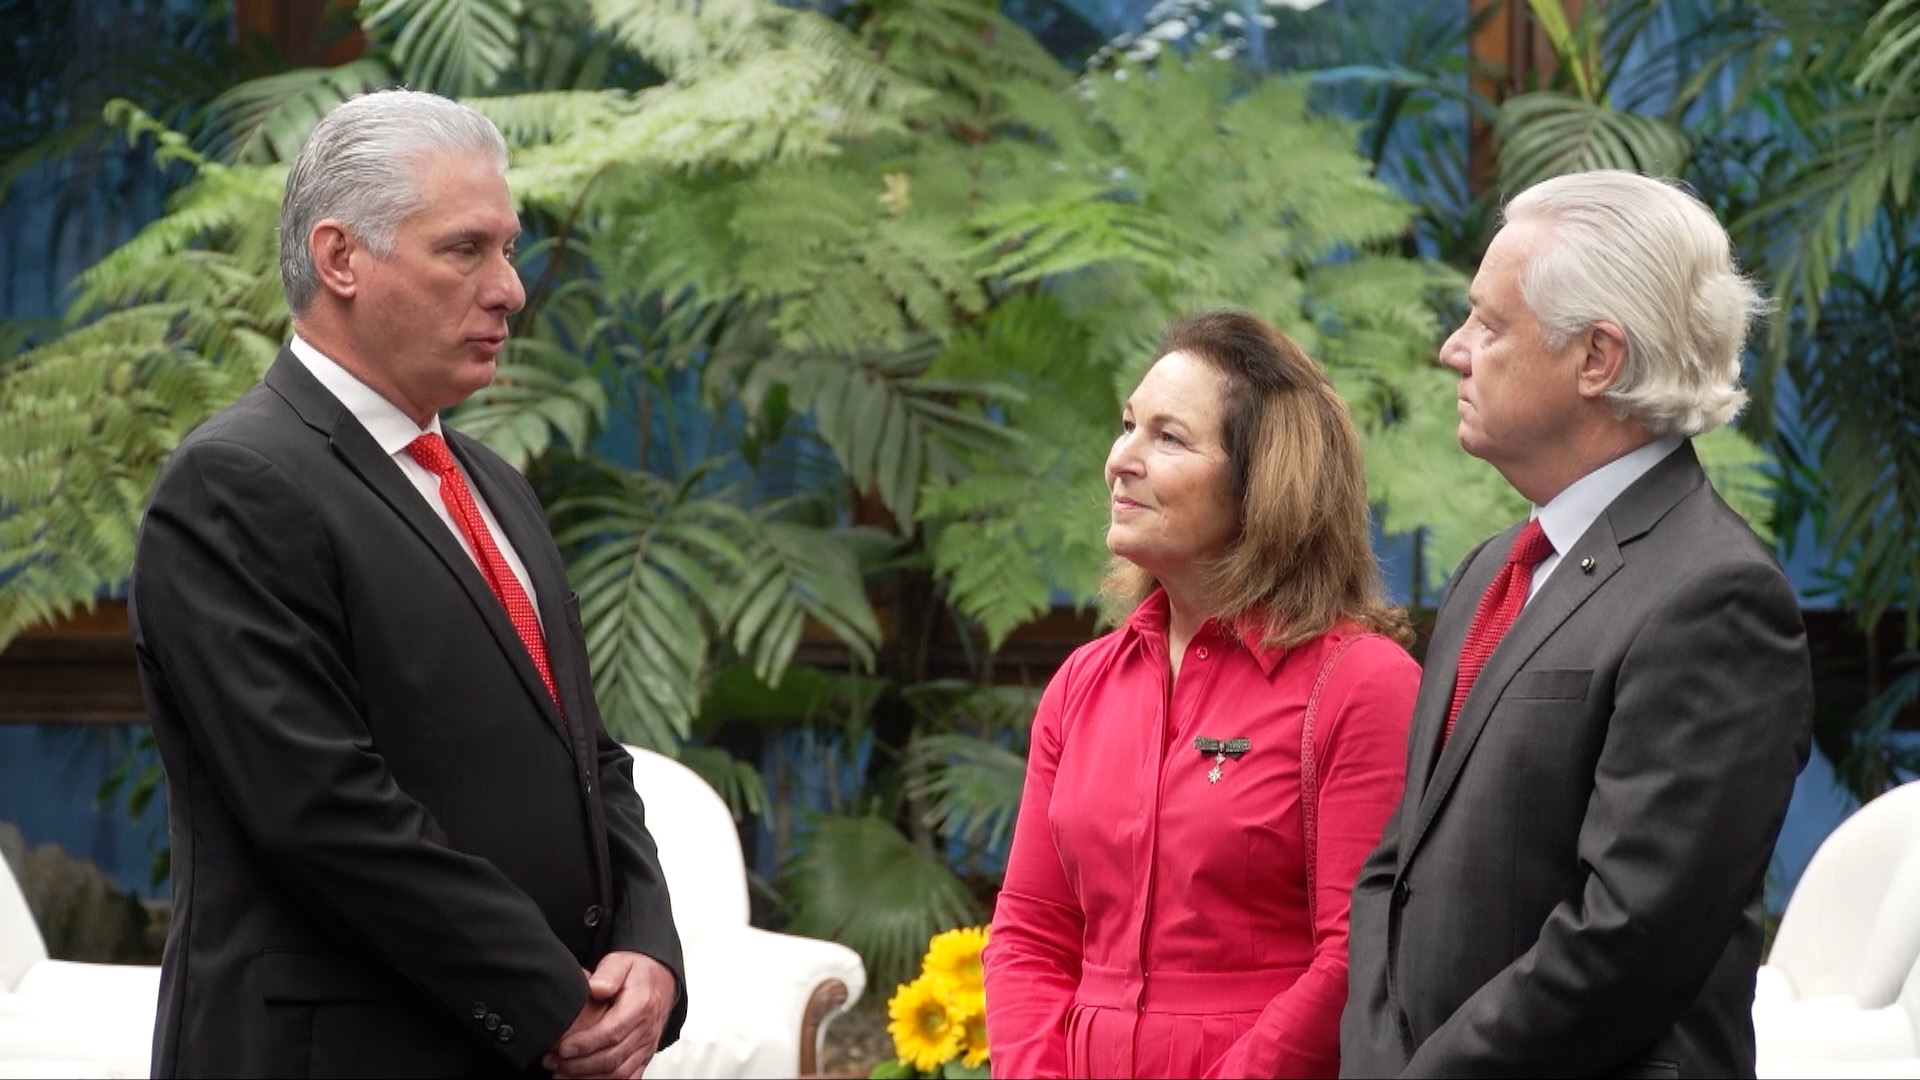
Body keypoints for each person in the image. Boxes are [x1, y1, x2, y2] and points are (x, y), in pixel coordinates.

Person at [127, 88, 686, 1079]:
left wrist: (648, 950)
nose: (510, 288)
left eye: (508, 249)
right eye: (465, 250)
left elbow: (589, 758)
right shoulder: (234, 485)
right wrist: (549, 999)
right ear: (341, 258)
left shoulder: (495, 488)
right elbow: (324, 810)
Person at [1338, 169, 1815, 1078]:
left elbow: (1628, 942)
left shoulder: (1715, 597)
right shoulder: (1492, 571)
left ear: (1597, 358)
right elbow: (1395, 869)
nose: (1453, 348)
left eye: (1489, 323)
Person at [982, 309, 1423, 1079]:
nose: (1121, 458)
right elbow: (1029, 933)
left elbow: (1356, 957)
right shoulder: (1081, 685)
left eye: (1168, 437)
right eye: (1127, 426)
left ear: (1264, 484)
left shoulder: (1363, 686)